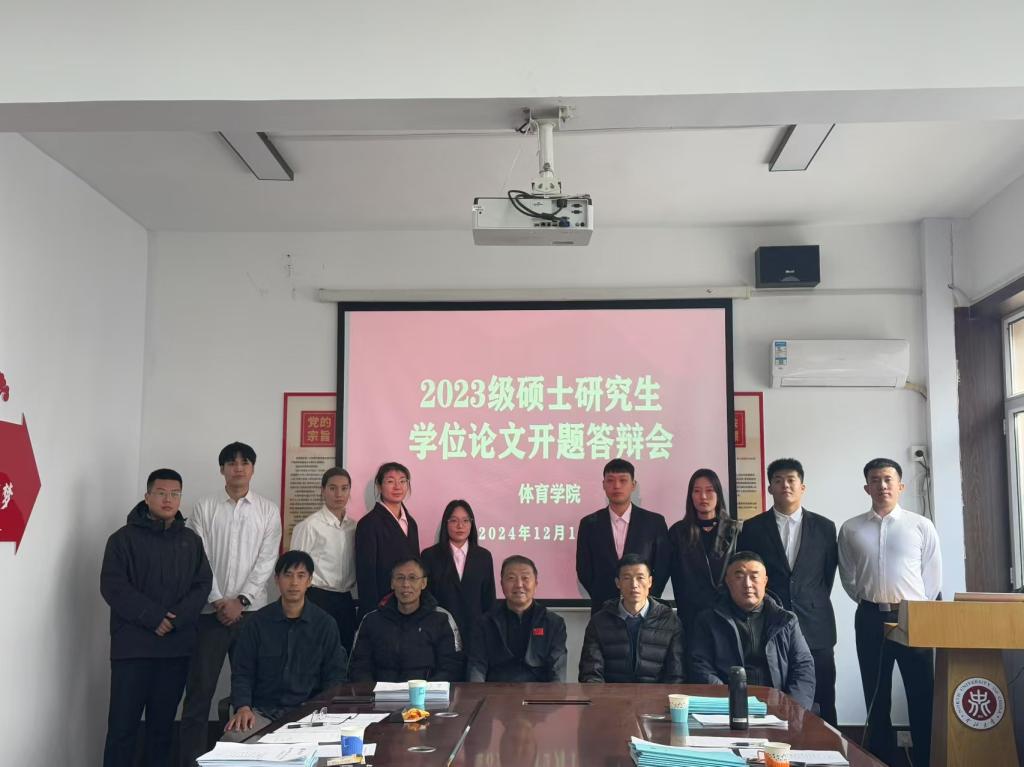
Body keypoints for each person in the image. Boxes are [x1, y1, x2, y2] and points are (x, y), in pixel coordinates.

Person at [100, 469, 212, 767]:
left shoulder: (191, 541)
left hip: (175, 650)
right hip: (132, 650)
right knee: (122, 728)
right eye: (161, 493)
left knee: (162, 730)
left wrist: (175, 619)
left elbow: (202, 584)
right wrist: (153, 617)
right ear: (147, 496)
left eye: (175, 494)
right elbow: (112, 586)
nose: (168, 499)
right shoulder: (122, 540)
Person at [179, 442, 282, 767]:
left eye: (245, 462)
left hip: (253, 615)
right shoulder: (205, 507)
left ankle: (251, 760)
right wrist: (218, 599)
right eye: (232, 462)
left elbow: (267, 560)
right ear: (222, 468)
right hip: (210, 614)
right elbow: (198, 558)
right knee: (199, 694)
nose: (238, 468)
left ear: (253, 468)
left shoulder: (268, 510)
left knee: (252, 695)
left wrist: (241, 600)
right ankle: (191, 761)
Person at [839, 458, 941, 767]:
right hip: (870, 618)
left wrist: (915, 610)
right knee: (876, 697)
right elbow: (848, 576)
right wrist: (871, 602)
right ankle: (878, 761)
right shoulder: (851, 528)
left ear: (900, 485)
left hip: (914, 617)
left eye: (888, 479)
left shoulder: (921, 525)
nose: (882, 485)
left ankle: (924, 761)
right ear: (866, 487)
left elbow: (932, 579)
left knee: (921, 696)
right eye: (875, 480)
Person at [737, 458, 838, 724]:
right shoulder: (753, 528)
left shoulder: (825, 528)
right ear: (770, 488)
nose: (785, 486)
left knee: (823, 696)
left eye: (791, 480)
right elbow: (748, 573)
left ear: (802, 487)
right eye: (778, 480)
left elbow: (826, 577)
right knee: (775, 695)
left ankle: (828, 746)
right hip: (771, 624)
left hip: (816, 625)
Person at [223, 551, 348, 739]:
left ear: (309, 581)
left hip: (309, 715)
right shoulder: (257, 623)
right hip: (263, 714)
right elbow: (242, 673)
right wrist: (243, 707)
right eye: (288, 575)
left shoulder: (325, 624)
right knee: (233, 741)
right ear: (277, 580)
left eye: (301, 576)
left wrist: (324, 710)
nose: (294, 583)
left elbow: (335, 675)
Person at [688, 551, 816, 710]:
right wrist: (732, 703)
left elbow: (803, 667)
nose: (747, 584)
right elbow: (701, 667)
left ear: (765, 581)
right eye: (739, 577)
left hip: (778, 707)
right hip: (726, 707)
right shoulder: (708, 620)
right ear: (727, 581)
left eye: (754, 577)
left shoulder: (786, 621)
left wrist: (792, 708)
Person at [576, 459, 671, 613]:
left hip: (644, 610)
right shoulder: (589, 524)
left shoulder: (654, 523)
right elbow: (584, 570)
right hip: (604, 610)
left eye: (623, 480)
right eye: (610, 481)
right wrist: (602, 596)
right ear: (603, 485)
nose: (617, 486)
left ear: (633, 485)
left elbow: (663, 568)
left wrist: (645, 598)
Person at [348, 557, 464, 682]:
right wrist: (372, 690)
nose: (406, 585)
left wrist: (425, 690)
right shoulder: (371, 621)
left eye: (412, 578)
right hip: (380, 693)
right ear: (392, 583)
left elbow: (451, 667)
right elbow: (359, 666)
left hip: (426, 692)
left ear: (423, 583)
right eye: (400, 578)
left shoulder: (441, 619)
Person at [579, 553, 684, 683]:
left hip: (656, 696)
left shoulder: (669, 621)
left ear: (650, 581)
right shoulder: (599, 622)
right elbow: (591, 674)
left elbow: (676, 676)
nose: (634, 584)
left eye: (640, 577)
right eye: (627, 578)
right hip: (611, 695)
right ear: (618, 583)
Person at [668, 468, 743, 640]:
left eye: (709, 490)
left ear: (718, 494)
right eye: (697, 491)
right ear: (690, 496)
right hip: (690, 617)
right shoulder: (678, 532)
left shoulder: (735, 530)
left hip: (728, 616)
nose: (703, 496)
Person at [467, 555, 568, 682]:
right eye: (511, 578)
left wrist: (552, 695)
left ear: (536, 584)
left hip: (538, 692)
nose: (519, 585)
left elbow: (557, 672)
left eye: (525, 578)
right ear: (502, 584)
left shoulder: (553, 623)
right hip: (496, 691)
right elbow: (477, 667)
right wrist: (478, 694)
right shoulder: (485, 623)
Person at [290, 467, 358, 652]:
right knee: (315, 654)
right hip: (317, 598)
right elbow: (294, 569)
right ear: (322, 490)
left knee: (343, 654)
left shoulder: (354, 527)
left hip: (345, 599)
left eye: (344, 488)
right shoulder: (309, 526)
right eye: (332, 488)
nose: (339, 494)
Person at [420, 499, 496, 654]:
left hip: (476, 637)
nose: (460, 526)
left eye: (465, 521)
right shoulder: (430, 556)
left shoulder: (483, 557)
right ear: (445, 524)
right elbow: (426, 598)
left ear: (472, 524)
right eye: (454, 520)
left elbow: (489, 599)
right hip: (441, 635)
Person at [355, 461, 420, 614]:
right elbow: (366, 575)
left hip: (409, 605)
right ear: (379, 486)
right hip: (382, 608)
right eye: (390, 481)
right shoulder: (368, 524)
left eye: (402, 481)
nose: (397, 487)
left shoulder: (411, 523)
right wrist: (372, 614)